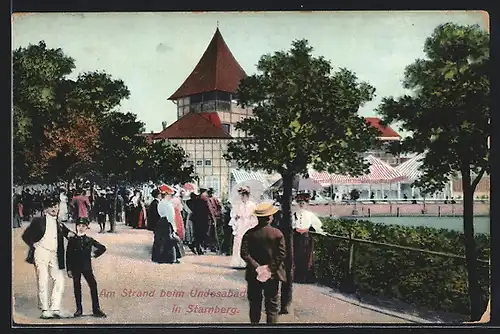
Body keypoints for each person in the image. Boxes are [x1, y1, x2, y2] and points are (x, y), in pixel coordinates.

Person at [21, 196, 75, 319]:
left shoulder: (59, 223)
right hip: (41, 253)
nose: (54, 209)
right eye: (51, 206)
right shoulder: (38, 221)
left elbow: (68, 233)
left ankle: (55, 308)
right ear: (45, 209)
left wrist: (73, 235)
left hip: (55, 254)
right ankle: (45, 309)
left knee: (59, 279)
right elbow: (25, 236)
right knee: (43, 279)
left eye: (56, 206)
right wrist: (33, 244)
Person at [240, 202, 287, 324]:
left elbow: (244, 253)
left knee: (255, 303)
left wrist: (257, 267)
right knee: (272, 306)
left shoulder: (249, 234)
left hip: (253, 273)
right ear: (270, 217)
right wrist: (269, 269)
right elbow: (281, 254)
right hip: (273, 274)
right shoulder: (277, 234)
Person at [66, 218, 107, 318]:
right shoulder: (72, 240)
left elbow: (102, 248)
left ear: (86, 227)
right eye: (79, 225)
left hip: (86, 267)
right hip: (75, 267)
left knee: (93, 285)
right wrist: (69, 269)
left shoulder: (89, 240)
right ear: (76, 226)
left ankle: (96, 309)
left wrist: (94, 254)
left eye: (83, 226)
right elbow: (68, 255)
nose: (81, 228)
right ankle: (79, 309)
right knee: (77, 287)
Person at [292, 192, 323, 283]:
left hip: (306, 238)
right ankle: (297, 277)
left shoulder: (310, 214)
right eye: (300, 203)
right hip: (297, 237)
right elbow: (292, 224)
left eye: (303, 203)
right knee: (297, 256)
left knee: (307, 257)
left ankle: (306, 278)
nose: (301, 205)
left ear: (306, 205)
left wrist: (317, 229)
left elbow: (318, 224)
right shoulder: (294, 214)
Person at [229, 186, 258, 268]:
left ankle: (248, 262)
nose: (242, 197)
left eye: (244, 195)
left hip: (248, 224)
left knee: (248, 243)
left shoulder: (252, 205)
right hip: (240, 224)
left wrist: (252, 224)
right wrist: (236, 217)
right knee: (239, 242)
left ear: (247, 196)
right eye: (241, 195)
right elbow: (233, 214)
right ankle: (238, 262)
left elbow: (254, 217)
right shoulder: (238, 205)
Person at [156, 184, 183, 262]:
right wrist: (174, 227)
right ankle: (170, 258)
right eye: (170, 194)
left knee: (161, 241)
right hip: (167, 223)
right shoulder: (168, 204)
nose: (171, 196)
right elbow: (171, 217)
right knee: (170, 241)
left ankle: (160, 257)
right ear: (167, 194)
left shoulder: (161, 203)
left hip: (161, 221)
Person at [190, 190, 211, 255]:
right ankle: (198, 248)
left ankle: (195, 246)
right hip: (202, 220)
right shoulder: (204, 201)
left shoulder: (196, 200)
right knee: (201, 234)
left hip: (197, 220)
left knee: (198, 235)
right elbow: (208, 210)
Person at [206, 188, 222, 252]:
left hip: (214, 218)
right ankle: (213, 247)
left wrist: (217, 213)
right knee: (212, 233)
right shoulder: (211, 199)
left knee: (214, 233)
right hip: (212, 217)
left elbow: (219, 207)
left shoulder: (213, 199)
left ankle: (214, 247)